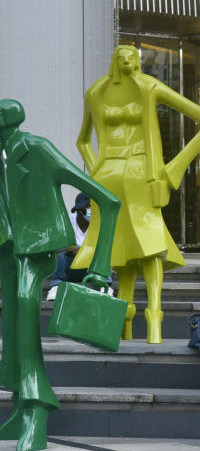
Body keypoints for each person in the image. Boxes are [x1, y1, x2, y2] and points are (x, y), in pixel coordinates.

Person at [0, 99, 120, 451]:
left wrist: (99, 266)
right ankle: (22, 405)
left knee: (24, 311)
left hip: (37, 249)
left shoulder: (39, 149)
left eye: (2, 110)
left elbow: (108, 201)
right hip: (7, 250)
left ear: (17, 116)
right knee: (12, 324)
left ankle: (37, 404)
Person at [75, 45, 200, 344]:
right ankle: (126, 324)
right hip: (108, 176)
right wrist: (95, 173)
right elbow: (82, 141)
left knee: (149, 242)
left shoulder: (149, 86)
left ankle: (153, 319)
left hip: (142, 172)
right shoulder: (96, 92)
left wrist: (174, 168)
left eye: (132, 56)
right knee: (120, 249)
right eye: (122, 56)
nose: (127, 61)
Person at [46, 192, 92, 301]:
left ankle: (106, 285)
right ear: (79, 210)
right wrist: (70, 248)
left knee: (104, 250)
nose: (91, 210)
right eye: (88, 206)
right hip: (70, 267)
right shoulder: (67, 221)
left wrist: (84, 251)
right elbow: (56, 244)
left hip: (90, 268)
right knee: (59, 253)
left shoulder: (98, 222)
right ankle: (56, 286)